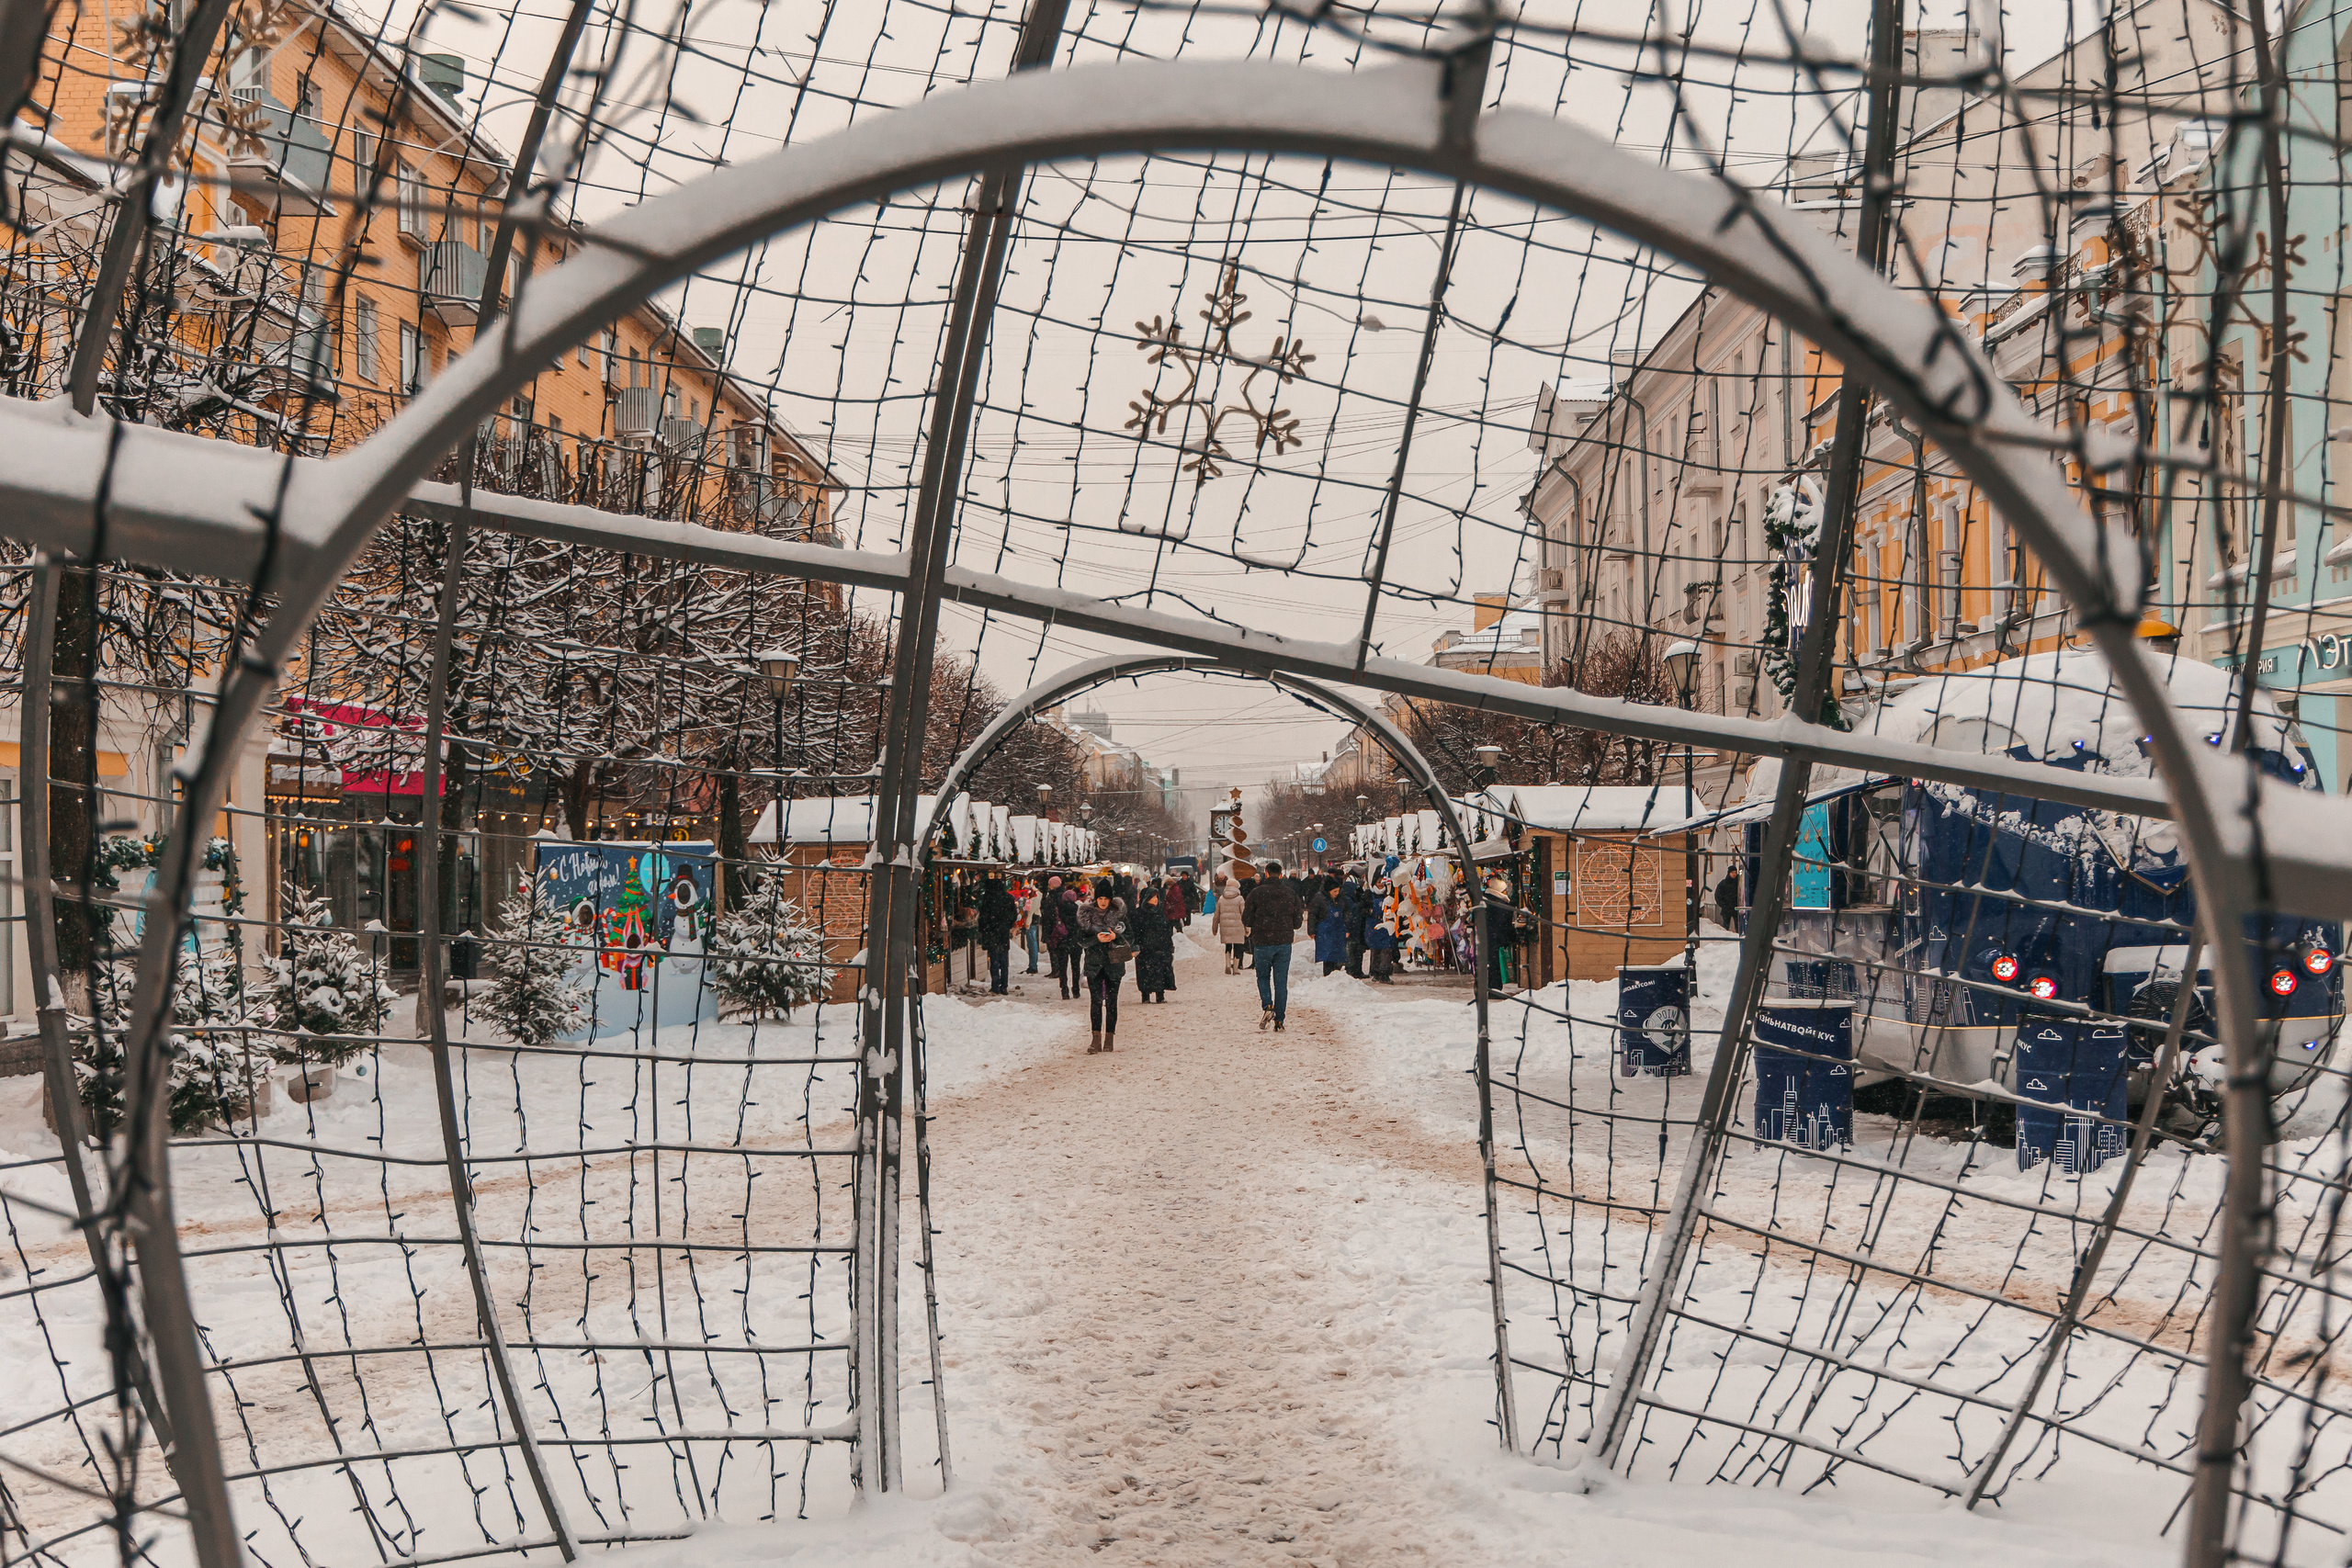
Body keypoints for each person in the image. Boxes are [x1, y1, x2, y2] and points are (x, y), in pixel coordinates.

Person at [1242, 859, 1304, 1032]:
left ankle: (1268, 1006)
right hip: (1283, 942)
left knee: (1262, 977)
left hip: (1262, 942)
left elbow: (1246, 919)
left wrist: (1260, 922)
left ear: (1266, 874)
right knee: (1281, 982)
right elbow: (1298, 922)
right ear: (1282, 874)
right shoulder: (1290, 894)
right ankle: (1280, 1020)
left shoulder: (1256, 893)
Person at [1075, 879, 1128, 1052]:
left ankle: (1109, 1038)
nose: (1103, 902)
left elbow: (1131, 937)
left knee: (1112, 1002)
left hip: (1114, 963)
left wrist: (1116, 938)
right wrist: (1095, 939)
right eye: (1100, 898)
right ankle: (1095, 1038)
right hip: (1094, 964)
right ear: (1095, 899)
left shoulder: (1119, 915)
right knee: (1096, 1001)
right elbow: (1079, 940)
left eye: (1106, 898)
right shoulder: (1086, 917)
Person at [975, 872, 1018, 994]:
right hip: (1003, 933)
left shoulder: (987, 899)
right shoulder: (1008, 898)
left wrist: (984, 929)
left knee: (994, 960)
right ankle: (1004, 985)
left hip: (991, 933)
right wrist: (1006, 925)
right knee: (1004, 960)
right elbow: (1013, 915)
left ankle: (995, 985)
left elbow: (983, 917)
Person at [1133, 888, 1176, 1002]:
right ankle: (1145, 995)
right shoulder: (1139, 914)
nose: (1155, 900)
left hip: (1160, 948)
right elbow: (1135, 932)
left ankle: (1160, 995)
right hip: (1145, 949)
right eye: (1152, 897)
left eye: (1156, 897)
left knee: (1161, 971)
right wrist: (1137, 946)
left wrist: (1168, 945)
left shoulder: (1161, 912)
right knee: (1144, 971)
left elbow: (1167, 931)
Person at [1046, 875, 1082, 998]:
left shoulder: (1059, 909)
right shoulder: (1079, 910)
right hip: (1076, 942)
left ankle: (1064, 989)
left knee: (1063, 967)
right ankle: (1076, 989)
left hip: (1062, 940)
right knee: (1075, 966)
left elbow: (1051, 922)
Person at [1214, 872, 1250, 973]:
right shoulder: (1240, 899)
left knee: (1228, 945)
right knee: (1238, 946)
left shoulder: (1221, 899)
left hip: (1225, 927)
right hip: (1238, 927)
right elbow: (1244, 915)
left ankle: (1227, 964)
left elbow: (1216, 914)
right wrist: (1247, 928)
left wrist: (1214, 928)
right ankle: (1235, 969)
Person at [1364, 883, 1399, 983]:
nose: (1380, 884)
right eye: (1378, 881)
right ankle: (1375, 972)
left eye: (1382, 882)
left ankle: (1385, 973)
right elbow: (1361, 908)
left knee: (1387, 949)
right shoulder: (1368, 894)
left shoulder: (1390, 893)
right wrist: (1369, 911)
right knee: (1375, 950)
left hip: (1387, 925)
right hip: (1373, 925)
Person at [1339, 870, 1369, 978]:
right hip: (1352, 930)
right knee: (1352, 951)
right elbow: (1349, 915)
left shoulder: (1350, 899)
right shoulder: (1347, 900)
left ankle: (1356, 971)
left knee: (1356, 950)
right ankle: (1352, 970)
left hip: (1355, 929)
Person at [1021, 878, 1043, 974]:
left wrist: (1027, 924)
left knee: (1032, 944)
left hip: (1032, 922)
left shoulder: (1034, 899)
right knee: (1032, 944)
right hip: (1033, 921)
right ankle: (1033, 965)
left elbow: (1030, 913)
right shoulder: (1037, 896)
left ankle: (1033, 966)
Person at [1714, 865, 1740, 931]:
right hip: (1727, 909)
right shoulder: (1723, 883)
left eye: (1735, 872)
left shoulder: (1739, 883)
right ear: (1729, 873)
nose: (1734, 874)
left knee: (1738, 927)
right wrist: (1723, 905)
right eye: (1732, 873)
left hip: (1736, 908)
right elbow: (1718, 895)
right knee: (1726, 926)